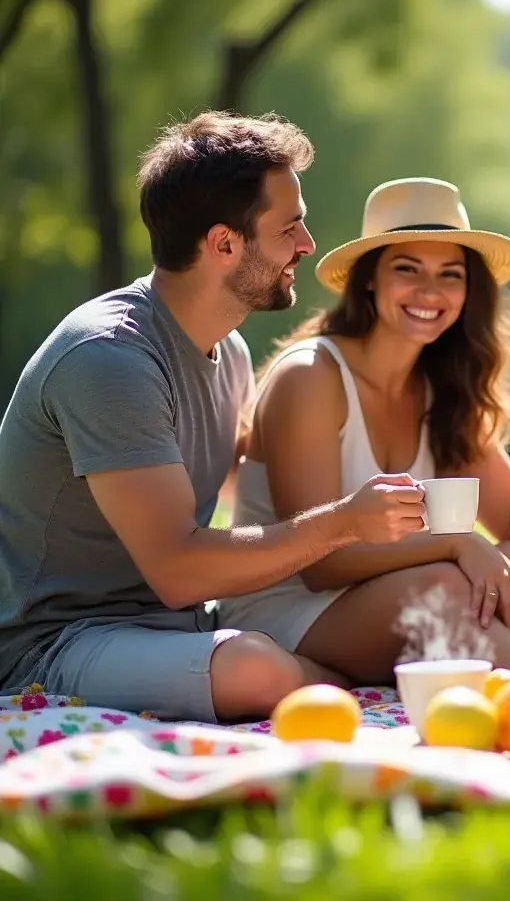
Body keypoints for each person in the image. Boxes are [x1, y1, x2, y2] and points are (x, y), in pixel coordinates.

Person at [0, 112, 427, 724]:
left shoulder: (230, 351)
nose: (307, 245)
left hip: (173, 629)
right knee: (254, 668)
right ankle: (355, 692)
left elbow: (238, 485)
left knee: (371, 623)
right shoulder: (109, 358)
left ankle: (344, 684)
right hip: (52, 647)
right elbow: (178, 570)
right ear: (224, 244)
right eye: (289, 228)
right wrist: (344, 522)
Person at [217, 177, 510, 682]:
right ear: (370, 279)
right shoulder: (311, 375)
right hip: (288, 610)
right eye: (408, 269)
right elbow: (319, 565)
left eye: (451, 274)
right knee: (446, 585)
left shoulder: (440, 387)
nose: (431, 291)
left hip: (397, 594)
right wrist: (456, 543)